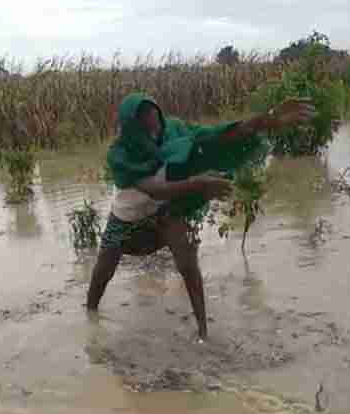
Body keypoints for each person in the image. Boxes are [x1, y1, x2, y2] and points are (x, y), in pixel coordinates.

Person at [85, 93, 315, 341]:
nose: (155, 131)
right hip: (125, 220)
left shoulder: (174, 131)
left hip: (164, 211)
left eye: (157, 122)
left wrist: (265, 120)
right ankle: (90, 319)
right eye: (147, 127)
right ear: (133, 129)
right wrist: (198, 184)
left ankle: (203, 331)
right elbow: (154, 188)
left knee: (188, 263)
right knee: (103, 272)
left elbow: (217, 135)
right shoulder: (120, 154)